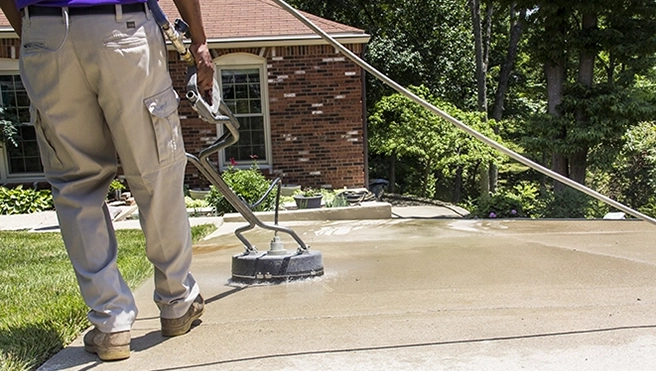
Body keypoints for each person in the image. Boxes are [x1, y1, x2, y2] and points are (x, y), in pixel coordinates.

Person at [0, 0, 215, 362]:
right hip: (122, 27)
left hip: (45, 31)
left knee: (75, 183)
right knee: (156, 172)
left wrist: (37, 33)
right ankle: (177, 300)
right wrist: (199, 40)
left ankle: (111, 321)